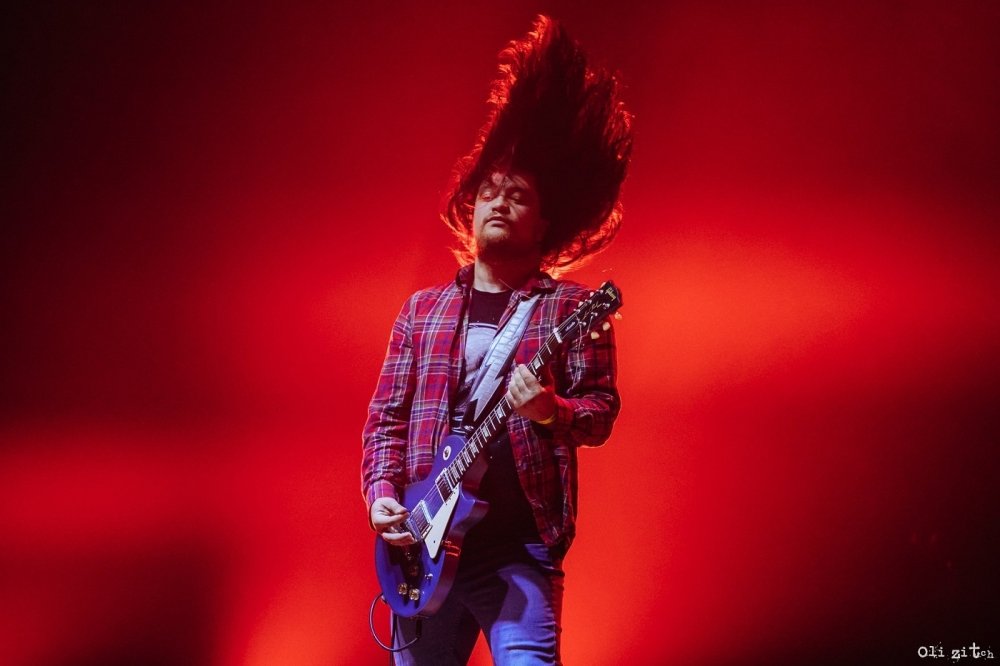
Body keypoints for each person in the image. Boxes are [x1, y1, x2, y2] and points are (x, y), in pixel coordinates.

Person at [361, 15, 633, 665]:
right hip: (419, 556)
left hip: (520, 552)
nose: (500, 201)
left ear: (547, 222)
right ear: (470, 206)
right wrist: (382, 500)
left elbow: (600, 412)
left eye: (518, 195)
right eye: (490, 191)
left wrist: (551, 411)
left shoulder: (571, 309)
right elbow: (385, 422)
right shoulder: (422, 312)